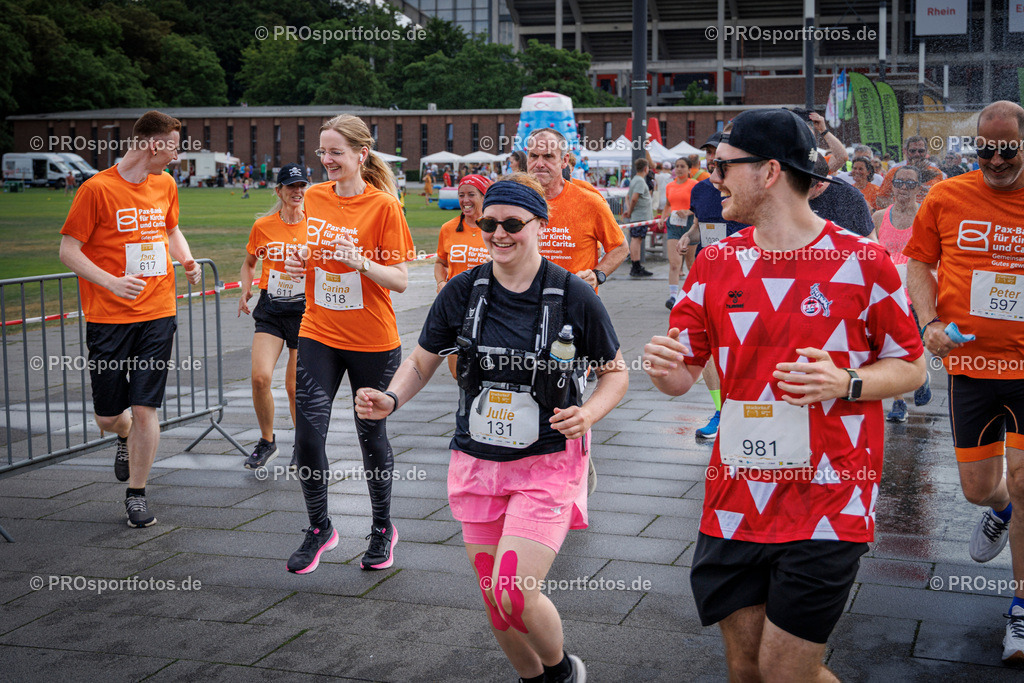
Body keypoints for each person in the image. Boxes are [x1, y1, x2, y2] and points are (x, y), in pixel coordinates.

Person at [644, 108, 925, 681]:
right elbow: (679, 378)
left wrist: (846, 382)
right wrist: (661, 367)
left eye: (722, 165)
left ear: (768, 171)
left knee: (785, 671)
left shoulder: (863, 260)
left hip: (829, 499)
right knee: (746, 669)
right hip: (736, 498)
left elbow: (913, 367)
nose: (711, 177)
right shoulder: (717, 261)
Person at [355, 174, 628, 683]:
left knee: (515, 590)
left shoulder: (572, 294)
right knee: (495, 602)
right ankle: (535, 679)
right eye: (488, 223)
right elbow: (422, 359)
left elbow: (616, 371)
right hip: (478, 462)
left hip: (547, 462)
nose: (499, 233)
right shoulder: (464, 290)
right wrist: (391, 397)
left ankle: (563, 670)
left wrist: (588, 412)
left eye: (512, 224)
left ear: (540, 226)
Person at [905, 100, 1024, 664]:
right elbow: (919, 264)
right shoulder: (947, 196)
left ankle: (1020, 609)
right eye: (987, 149)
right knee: (982, 488)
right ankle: (997, 511)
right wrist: (929, 323)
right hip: (971, 369)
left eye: (1008, 149)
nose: (997, 160)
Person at [281, 114, 415, 575]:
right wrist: (302, 260)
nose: (327, 160)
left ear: (361, 154)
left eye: (336, 152)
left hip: (373, 339)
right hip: (319, 330)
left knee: (370, 434)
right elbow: (309, 249)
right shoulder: (315, 198)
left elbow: (399, 279)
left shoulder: (383, 207)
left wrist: (360, 263)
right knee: (307, 433)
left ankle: (382, 528)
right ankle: (320, 527)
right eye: (322, 151)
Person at [59, 110, 202, 528]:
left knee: (145, 408)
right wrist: (112, 282)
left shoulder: (166, 184)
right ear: (154, 145)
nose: (178, 154)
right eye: (175, 145)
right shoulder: (96, 189)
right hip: (109, 317)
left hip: (159, 311)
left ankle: (137, 494)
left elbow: (171, 229)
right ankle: (121, 435)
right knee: (108, 416)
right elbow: (69, 250)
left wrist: (188, 260)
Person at [526, 126, 626, 495]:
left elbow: (620, 247)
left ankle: (577, 474)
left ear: (564, 161)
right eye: (533, 156)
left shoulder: (588, 200)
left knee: (568, 395)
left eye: (548, 157)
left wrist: (597, 272)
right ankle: (535, 470)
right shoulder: (519, 199)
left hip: (572, 319)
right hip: (524, 313)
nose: (540, 164)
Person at [237, 163, 309, 470]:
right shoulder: (263, 226)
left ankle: (303, 447)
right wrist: (245, 289)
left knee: (294, 386)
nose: (297, 192)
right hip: (271, 307)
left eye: (301, 186)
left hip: (306, 310)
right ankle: (267, 441)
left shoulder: (316, 225)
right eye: (290, 186)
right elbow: (249, 263)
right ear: (278, 191)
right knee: (260, 378)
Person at [681, 130, 750, 439]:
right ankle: (721, 409)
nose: (712, 157)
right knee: (708, 347)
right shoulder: (699, 190)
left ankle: (750, 407)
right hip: (709, 276)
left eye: (719, 152)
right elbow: (701, 227)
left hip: (747, 277)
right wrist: (687, 237)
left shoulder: (745, 188)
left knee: (745, 346)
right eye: (709, 152)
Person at [871, 164, 931, 423]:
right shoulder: (879, 217)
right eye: (900, 183)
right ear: (892, 186)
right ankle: (898, 403)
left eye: (910, 183)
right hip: (887, 294)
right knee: (891, 350)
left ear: (919, 189)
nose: (904, 188)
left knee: (915, 346)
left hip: (916, 293)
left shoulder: (926, 218)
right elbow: (872, 253)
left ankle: (922, 377)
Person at [435, 174, 492, 377]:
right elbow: (441, 262)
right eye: (461, 195)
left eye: (471, 194)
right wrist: (442, 282)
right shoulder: (448, 229)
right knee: (458, 370)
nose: (465, 200)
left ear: (484, 196)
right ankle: (464, 406)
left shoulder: (495, 229)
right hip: (457, 306)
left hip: (490, 307)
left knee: (486, 365)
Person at [807, 156, 876, 238]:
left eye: (860, 169)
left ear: (818, 186)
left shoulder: (851, 196)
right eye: (855, 168)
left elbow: (870, 238)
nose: (796, 195)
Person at [662, 157, 698, 299]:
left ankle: (695, 295)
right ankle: (673, 297)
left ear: (689, 169)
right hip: (674, 224)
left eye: (682, 166)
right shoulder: (670, 185)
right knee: (674, 263)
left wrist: (689, 211)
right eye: (677, 166)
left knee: (691, 264)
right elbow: (668, 204)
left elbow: (699, 205)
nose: (679, 169)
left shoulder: (694, 185)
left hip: (690, 224)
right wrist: (662, 218)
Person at [875, 136, 946, 208]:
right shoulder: (895, 172)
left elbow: (944, 199)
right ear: (905, 151)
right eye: (913, 151)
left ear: (926, 151)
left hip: (927, 215)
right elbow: (880, 199)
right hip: (903, 217)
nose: (917, 154)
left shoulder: (936, 173)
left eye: (921, 151)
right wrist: (901, 207)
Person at [623, 157, 654, 278]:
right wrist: (630, 211)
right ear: (646, 169)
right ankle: (636, 265)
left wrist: (628, 209)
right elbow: (635, 197)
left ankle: (636, 265)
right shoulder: (640, 181)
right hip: (640, 216)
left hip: (638, 215)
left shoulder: (634, 180)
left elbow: (628, 197)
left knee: (637, 239)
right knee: (637, 240)